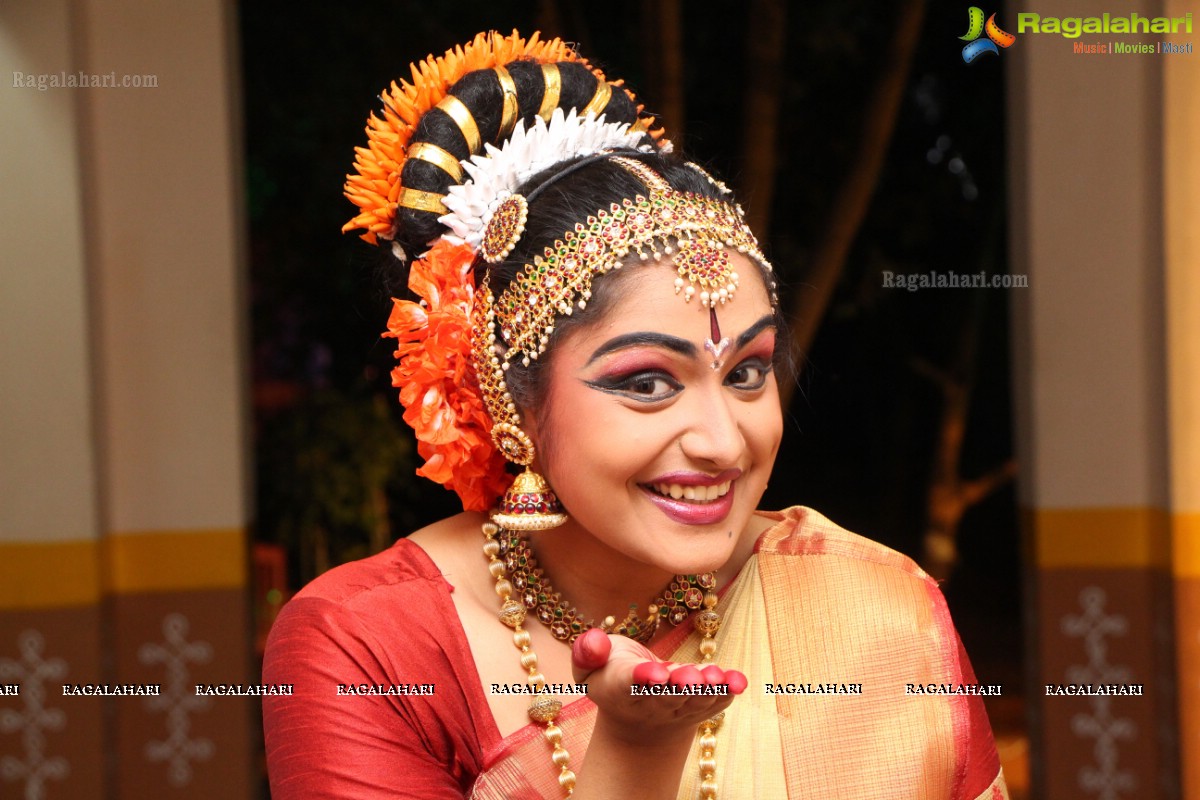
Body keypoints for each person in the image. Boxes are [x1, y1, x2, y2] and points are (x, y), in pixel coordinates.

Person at [262, 30, 1009, 800]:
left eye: (747, 372)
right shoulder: (370, 649)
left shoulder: (875, 613)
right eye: (648, 383)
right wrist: (634, 754)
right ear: (512, 403)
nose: (724, 441)